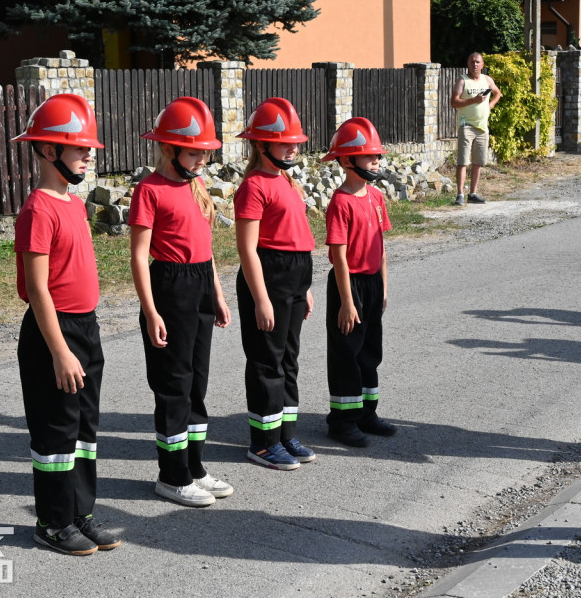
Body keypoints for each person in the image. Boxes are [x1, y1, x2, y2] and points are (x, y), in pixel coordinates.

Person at [12, 93, 121, 556]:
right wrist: (59, 351)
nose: (89, 153)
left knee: (83, 430)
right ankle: (53, 523)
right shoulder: (38, 209)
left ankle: (80, 514)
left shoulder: (74, 203)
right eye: (80, 147)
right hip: (51, 333)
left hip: (85, 327)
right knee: (56, 433)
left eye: (88, 147)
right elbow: (38, 290)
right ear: (48, 150)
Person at [130, 97, 233, 507]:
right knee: (173, 386)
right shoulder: (149, 189)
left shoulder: (197, 185)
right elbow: (139, 255)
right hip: (168, 287)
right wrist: (152, 310)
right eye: (195, 153)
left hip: (200, 286)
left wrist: (218, 295)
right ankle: (171, 476)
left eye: (206, 153)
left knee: (197, 382)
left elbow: (205, 250)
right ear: (170, 149)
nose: (203, 160)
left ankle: (194, 467)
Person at [235, 97, 317, 470]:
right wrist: (261, 299)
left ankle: (285, 433)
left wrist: (305, 288)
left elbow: (296, 233)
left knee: (289, 359)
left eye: (295, 142)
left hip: (295, 276)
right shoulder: (253, 186)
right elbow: (247, 249)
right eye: (285, 142)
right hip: (269, 275)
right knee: (267, 361)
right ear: (261, 144)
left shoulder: (283, 177)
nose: (293, 147)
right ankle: (264, 443)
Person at [320, 117, 395, 448]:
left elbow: (381, 246)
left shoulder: (376, 198)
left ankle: (367, 413)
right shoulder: (340, 203)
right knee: (346, 354)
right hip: (347, 286)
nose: (376, 161)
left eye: (377, 155)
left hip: (372, 285)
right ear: (347, 160)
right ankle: (342, 421)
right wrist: (347, 302)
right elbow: (339, 256)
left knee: (369, 351)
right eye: (370, 156)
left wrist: (384, 287)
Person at [450, 51, 502, 206]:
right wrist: (474, 100)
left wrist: (490, 105)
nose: (475, 64)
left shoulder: (487, 80)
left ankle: (472, 193)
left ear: (482, 64)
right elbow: (454, 102)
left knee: (478, 162)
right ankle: (460, 194)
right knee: (463, 161)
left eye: (478, 62)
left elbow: (498, 93)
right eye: (472, 62)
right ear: (468, 63)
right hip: (466, 126)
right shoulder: (462, 80)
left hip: (482, 127)